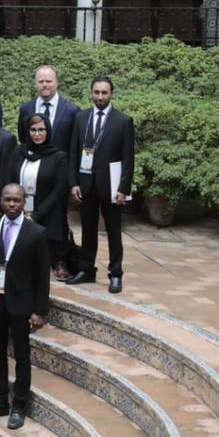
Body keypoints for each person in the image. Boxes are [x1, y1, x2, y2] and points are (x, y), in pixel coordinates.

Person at [0, 183, 51, 429]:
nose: (11, 204)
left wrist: (40, 311)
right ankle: (0, 402)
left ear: (24, 201)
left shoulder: (36, 233)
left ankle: (19, 405)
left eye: (16, 200)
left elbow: (42, 277)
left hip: (21, 306)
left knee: (22, 357)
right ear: (0, 200)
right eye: (7, 200)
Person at [67, 76, 135, 294]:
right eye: (96, 92)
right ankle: (87, 269)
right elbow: (73, 154)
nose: (100, 97)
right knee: (88, 230)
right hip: (86, 185)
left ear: (111, 94)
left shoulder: (123, 121)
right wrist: (73, 183)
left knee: (114, 232)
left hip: (111, 187)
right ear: (91, 93)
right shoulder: (81, 118)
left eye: (104, 93)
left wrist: (123, 189)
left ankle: (116, 274)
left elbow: (128, 158)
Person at [7, 114, 71, 279]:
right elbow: (9, 179)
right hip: (19, 204)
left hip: (46, 206)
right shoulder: (18, 152)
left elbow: (59, 190)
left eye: (41, 130)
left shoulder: (58, 156)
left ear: (48, 131)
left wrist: (37, 214)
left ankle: (59, 260)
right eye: (33, 130)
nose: (37, 134)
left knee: (56, 215)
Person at [16, 64, 79, 152]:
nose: (44, 85)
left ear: (57, 82)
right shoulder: (26, 109)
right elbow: (23, 138)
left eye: (48, 81)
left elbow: (75, 144)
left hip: (60, 163)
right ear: (35, 83)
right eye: (41, 81)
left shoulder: (72, 110)